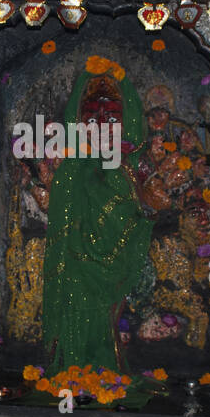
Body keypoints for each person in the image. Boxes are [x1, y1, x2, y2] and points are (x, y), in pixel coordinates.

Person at [42, 58, 152, 373]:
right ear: (78, 121)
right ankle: (77, 368)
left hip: (115, 261)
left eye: (112, 117)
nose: (102, 124)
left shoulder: (131, 163)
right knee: (76, 300)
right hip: (77, 264)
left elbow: (147, 209)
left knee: (108, 312)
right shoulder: (71, 167)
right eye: (92, 117)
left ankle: (108, 369)